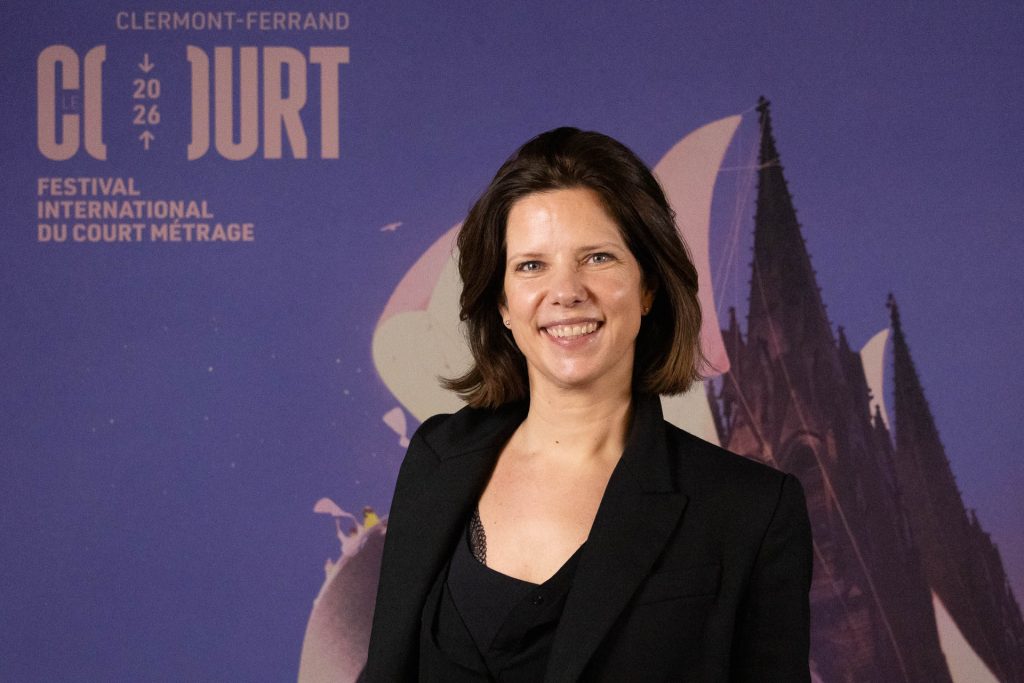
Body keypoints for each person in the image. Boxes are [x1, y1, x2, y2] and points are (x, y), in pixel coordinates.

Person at [360, 127, 812, 682]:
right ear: (502, 302)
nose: (567, 291)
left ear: (648, 287)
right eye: (531, 265)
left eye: (598, 257)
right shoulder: (437, 458)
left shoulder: (749, 511)